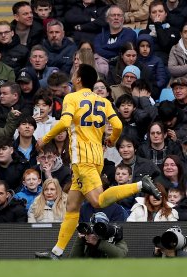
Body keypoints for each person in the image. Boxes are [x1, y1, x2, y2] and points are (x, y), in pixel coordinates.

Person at [35, 64, 161, 260]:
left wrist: (46, 138)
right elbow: (118, 125)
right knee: (73, 207)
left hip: (82, 159)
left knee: (98, 201)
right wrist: (111, 140)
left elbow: (66, 122)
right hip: (96, 157)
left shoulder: (72, 98)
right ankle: (56, 252)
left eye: (74, 74)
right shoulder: (103, 101)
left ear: (77, 79)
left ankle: (139, 184)